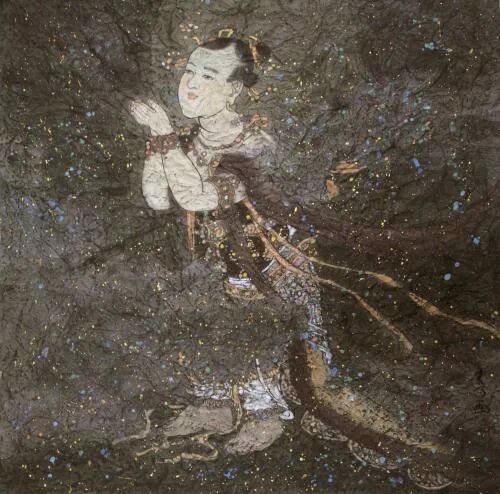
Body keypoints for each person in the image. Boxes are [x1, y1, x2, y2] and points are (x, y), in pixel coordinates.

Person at [129, 35, 333, 456]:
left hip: (269, 270)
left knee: (260, 340)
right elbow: (157, 197)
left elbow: (198, 196)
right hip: (220, 268)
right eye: (189, 71)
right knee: (213, 332)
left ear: (234, 89)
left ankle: (265, 415)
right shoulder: (187, 141)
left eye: (208, 75)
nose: (191, 84)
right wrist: (161, 142)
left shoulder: (252, 142)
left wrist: (164, 134)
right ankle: (217, 406)